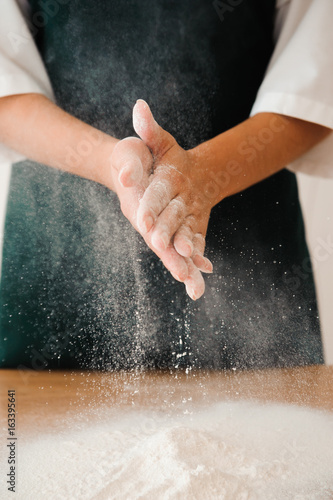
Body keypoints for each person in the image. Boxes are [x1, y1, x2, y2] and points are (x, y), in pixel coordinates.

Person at [0, 0, 332, 370]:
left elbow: (314, 85)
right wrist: (110, 163)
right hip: (56, 257)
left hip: (250, 233)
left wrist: (205, 174)